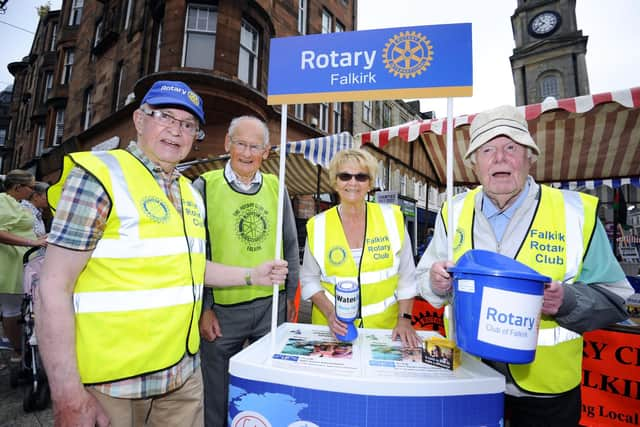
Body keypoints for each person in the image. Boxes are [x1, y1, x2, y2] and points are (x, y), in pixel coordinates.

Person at [35, 80, 288, 427]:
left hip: (181, 377)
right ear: (139, 120)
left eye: (187, 124)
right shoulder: (99, 176)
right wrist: (66, 393)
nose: (175, 130)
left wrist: (252, 275)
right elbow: (52, 287)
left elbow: (191, 267)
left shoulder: (188, 191)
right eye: (164, 117)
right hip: (113, 384)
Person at [417, 104, 634, 427]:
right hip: (469, 381)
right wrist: (435, 284)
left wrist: (567, 301)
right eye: (487, 149)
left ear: (530, 157)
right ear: (474, 164)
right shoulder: (454, 210)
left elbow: (617, 298)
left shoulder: (576, 213)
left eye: (511, 147)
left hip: (545, 397)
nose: (500, 158)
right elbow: (424, 278)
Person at [193, 115, 300, 427]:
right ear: (228, 144)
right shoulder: (204, 185)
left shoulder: (275, 186)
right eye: (241, 143)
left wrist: (290, 302)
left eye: (255, 147)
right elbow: (198, 253)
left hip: (270, 307)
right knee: (215, 394)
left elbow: (290, 245)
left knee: (266, 389)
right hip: (222, 313)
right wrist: (204, 308)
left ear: (266, 152)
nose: (247, 153)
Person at [300, 148, 420, 348]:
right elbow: (309, 279)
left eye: (361, 177)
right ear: (335, 181)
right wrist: (330, 314)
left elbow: (407, 276)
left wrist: (405, 319)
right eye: (345, 176)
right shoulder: (317, 225)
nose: (353, 183)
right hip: (332, 331)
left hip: (384, 332)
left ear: (370, 183)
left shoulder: (392, 218)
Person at [0, 170, 47, 364]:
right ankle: (17, 352)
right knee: (11, 309)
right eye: (31, 187)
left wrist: (39, 239)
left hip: (20, 262)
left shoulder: (15, 203)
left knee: (16, 308)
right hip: (8, 264)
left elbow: (20, 229)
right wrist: (32, 243)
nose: (32, 191)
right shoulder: (3, 201)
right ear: (18, 187)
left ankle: (19, 349)